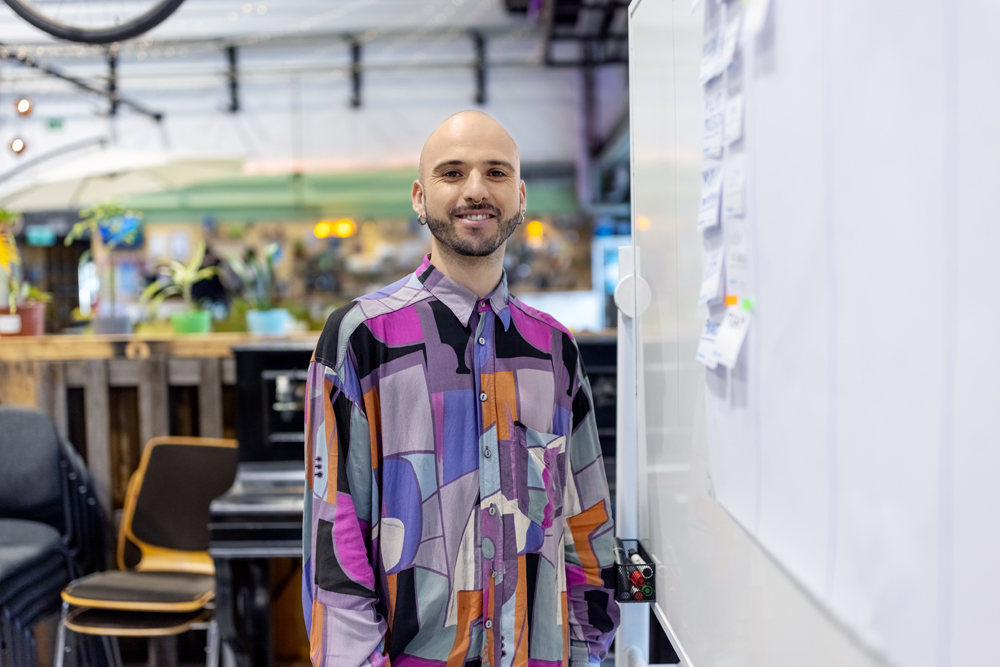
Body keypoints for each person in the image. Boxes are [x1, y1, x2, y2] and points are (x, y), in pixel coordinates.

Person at [303, 110, 619, 667]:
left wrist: (590, 652)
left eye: (496, 173)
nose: (476, 189)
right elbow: (336, 540)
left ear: (520, 197)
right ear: (420, 198)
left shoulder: (554, 349)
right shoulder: (363, 337)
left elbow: (584, 521)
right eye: (453, 173)